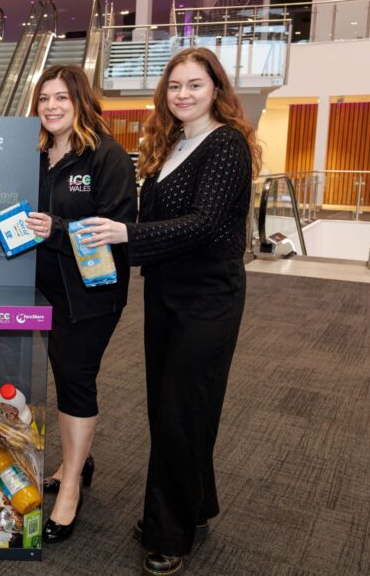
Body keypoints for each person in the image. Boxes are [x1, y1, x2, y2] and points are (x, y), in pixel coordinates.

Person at [80, 48, 262, 575]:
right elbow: (154, 214)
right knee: (167, 407)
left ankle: (169, 532)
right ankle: (194, 505)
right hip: (164, 291)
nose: (183, 94)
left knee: (185, 409)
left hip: (208, 296)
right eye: (175, 86)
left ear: (217, 91)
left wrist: (126, 235)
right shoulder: (174, 144)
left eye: (195, 85)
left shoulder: (225, 144)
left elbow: (205, 223)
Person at [25, 65, 137, 543]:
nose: (51, 106)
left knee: (75, 377)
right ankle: (78, 457)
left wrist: (57, 228)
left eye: (62, 98)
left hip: (91, 294)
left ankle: (70, 485)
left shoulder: (106, 156)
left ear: (80, 102)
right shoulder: (36, 154)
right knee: (59, 372)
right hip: (43, 288)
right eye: (44, 98)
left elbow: (115, 227)